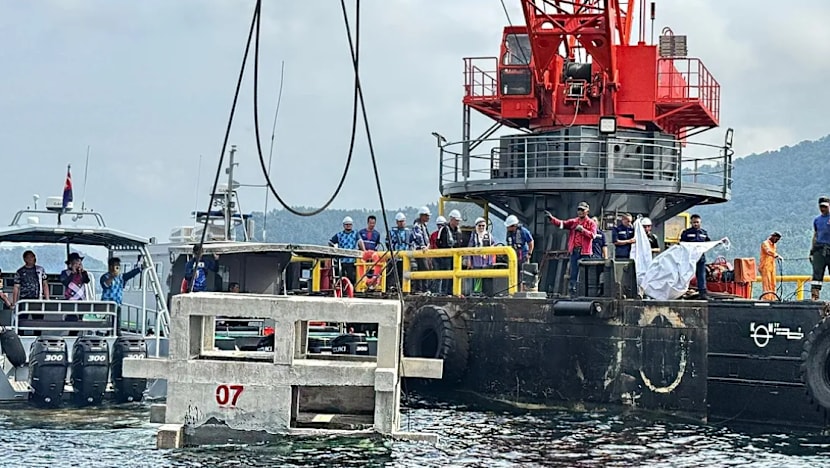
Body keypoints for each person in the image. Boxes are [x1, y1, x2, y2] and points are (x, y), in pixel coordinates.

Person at [545, 202, 597, 295]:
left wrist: (582, 230)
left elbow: (593, 235)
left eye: (582, 210)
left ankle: (585, 292)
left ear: (587, 211)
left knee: (584, 273)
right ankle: (573, 291)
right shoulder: (574, 222)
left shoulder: (591, 223)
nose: (580, 212)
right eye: (579, 210)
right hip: (575, 251)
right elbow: (562, 224)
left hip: (585, 252)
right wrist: (551, 219)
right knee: (574, 272)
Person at [680, 214, 711, 299]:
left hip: (700, 258)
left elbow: (708, 243)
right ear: (691, 222)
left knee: (701, 274)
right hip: (689, 258)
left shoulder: (704, 233)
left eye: (697, 222)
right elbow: (682, 244)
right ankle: (681, 291)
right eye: (694, 222)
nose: (696, 224)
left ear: (700, 222)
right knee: (685, 275)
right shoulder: (686, 233)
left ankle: (702, 293)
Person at [329, 216, 364, 289]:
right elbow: (330, 242)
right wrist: (334, 250)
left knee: (351, 276)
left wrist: (364, 252)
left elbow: (360, 242)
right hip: (341, 260)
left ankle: (351, 289)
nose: (348, 226)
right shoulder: (339, 235)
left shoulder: (355, 233)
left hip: (351, 260)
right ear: (343, 225)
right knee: (340, 276)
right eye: (347, 224)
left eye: (350, 224)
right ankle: (341, 289)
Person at [505, 214, 534, 290]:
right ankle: (514, 290)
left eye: (508, 226)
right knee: (514, 273)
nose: (507, 228)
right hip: (513, 256)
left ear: (513, 226)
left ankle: (524, 290)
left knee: (524, 274)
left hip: (523, 255)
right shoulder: (509, 233)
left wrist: (529, 253)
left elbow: (531, 242)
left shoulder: (523, 231)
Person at [467, 217, 494, 295]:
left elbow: (493, 244)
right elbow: (469, 248)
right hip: (477, 260)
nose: (481, 227)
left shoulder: (489, 235)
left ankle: (487, 292)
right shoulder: (474, 236)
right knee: (477, 277)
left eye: (483, 225)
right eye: (479, 226)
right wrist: (469, 260)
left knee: (487, 277)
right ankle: (477, 292)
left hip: (487, 261)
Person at [811, 197, 830, 301]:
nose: (823, 209)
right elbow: (815, 234)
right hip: (819, 250)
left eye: (825, 207)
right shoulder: (817, 220)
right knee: (817, 274)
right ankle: (815, 297)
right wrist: (812, 251)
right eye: (821, 206)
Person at [759, 231, 783, 300]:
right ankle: (767, 298)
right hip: (765, 266)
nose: (777, 241)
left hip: (772, 266)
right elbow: (768, 251)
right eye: (776, 239)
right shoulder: (765, 243)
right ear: (773, 237)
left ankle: (773, 298)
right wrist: (776, 255)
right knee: (767, 283)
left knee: (773, 283)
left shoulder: (774, 245)